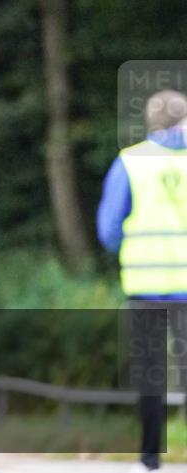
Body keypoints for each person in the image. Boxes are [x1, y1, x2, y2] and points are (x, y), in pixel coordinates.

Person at [97, 89, 187, 472]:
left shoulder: (130, 162)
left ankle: (150, 458)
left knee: (151, 375)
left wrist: (132, 246)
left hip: (144, 287)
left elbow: (108, 229)